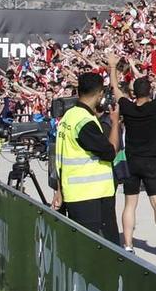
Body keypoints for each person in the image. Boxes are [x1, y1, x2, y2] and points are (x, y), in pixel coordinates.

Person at [52, 68, 124, 244]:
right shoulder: (84, 122)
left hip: (75, 193)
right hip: (92, 196)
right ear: (100, 94)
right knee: (102, 249)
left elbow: (60, 158)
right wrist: (115, 123)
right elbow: (110, 152)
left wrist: (59, 190)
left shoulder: (69, 116)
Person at [117, 70, 156, 258]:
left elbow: (116, 89)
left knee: (129, 204)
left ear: (134, 93)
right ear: (149, 91)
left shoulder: (127, 107)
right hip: (151, 161)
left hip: (132, 161)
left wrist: (113, 69)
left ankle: (128, 244)